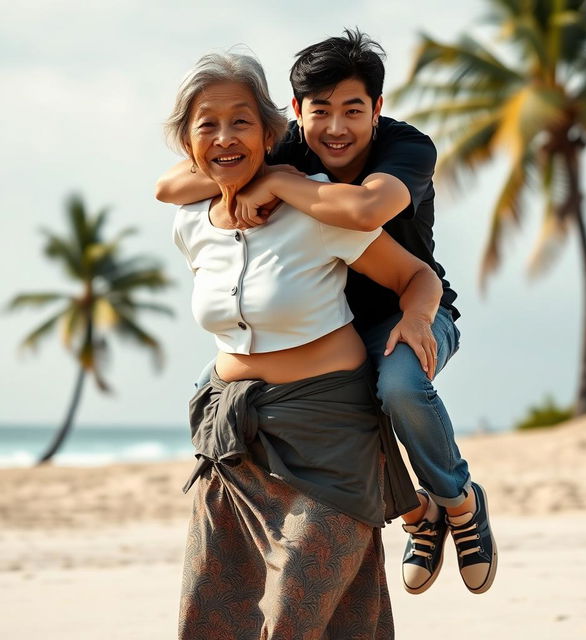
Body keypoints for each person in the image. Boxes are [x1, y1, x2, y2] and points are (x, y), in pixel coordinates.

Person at [158, 29, 497, 596]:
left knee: (400, 388)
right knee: (212, 390)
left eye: (353, 110)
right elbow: (171, 184)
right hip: (331, 318)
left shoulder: (406, 149)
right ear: (295, 112)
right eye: (321, 111)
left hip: (409, 308)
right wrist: (261, 171)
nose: (336, 128)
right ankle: (417, 517)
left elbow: (367, 210)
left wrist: (275, 180)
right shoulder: (288, 148)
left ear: (377, 109)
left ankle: (460, 503)